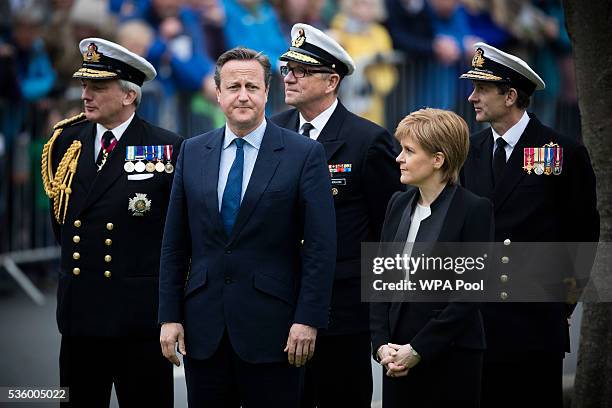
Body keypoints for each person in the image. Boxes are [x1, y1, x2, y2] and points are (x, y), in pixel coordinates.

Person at [158, 47, 336, 408]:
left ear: (267, 93)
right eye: (234, 86)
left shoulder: (304, 154)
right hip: (204, 330)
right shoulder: (192, 152)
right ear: (218, 93)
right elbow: (175, 244)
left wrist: (308, 319)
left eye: (252, 87)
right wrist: (169, 316)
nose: (243, 96)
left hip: (276, 330)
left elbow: (320, 246)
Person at [40, 37, 182, 407]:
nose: (85, 94)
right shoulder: (65, 141)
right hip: (80, 315)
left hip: (138, 319)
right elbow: (63, 223)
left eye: (98, 86)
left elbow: (177, 236)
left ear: (128, 96)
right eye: (85, 84)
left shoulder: (167, 148)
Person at [459, 42, 600, 407]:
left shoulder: (560, 151)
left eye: (482, 89)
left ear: (510, 96)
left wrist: (560, 304)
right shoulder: (469, 152)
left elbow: (582, 236)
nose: (471, 97)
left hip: (534, 322)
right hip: (479, 322)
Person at [271, 23, 402, 408]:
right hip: (279, 303)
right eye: (287, 69)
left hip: (342, 312)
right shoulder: (273, 131)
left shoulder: (368, 140)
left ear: (331, 81)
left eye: (301, 71)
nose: (289, 78)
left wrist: (384, 312)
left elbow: (387, 231)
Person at [370, 108, 492, 407]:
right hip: (396, 358)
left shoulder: (473, 209)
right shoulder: (397, 204)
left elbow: (469, 294)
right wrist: (382, 345)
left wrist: (418, 349)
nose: (399, 158)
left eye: (409, 151)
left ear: (438, 160)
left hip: (451, 357)